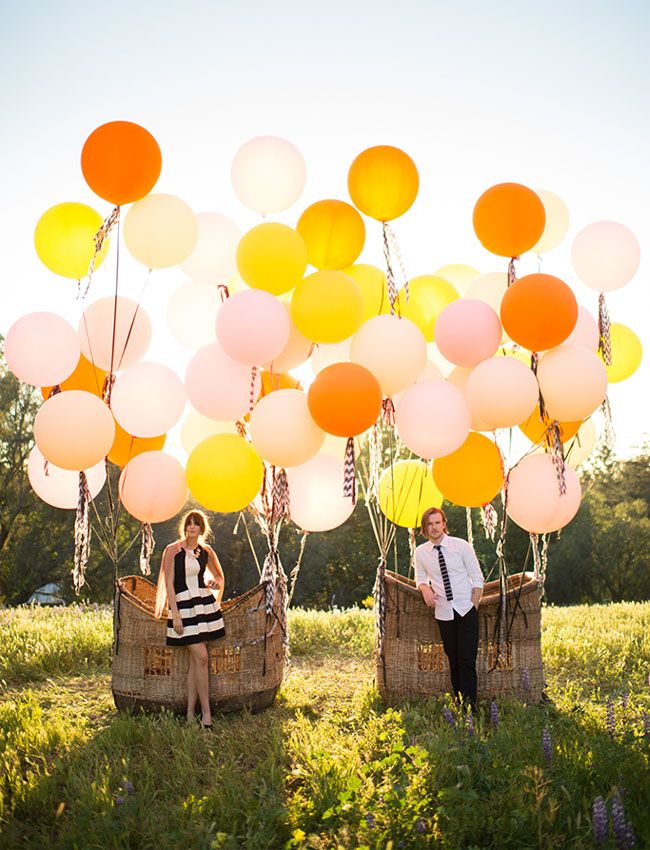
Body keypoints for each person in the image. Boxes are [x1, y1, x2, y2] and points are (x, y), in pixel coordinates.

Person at [155, 510, 225, 727]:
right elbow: (169, 583)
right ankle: (206, 713)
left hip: (203, 606)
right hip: (183, 608)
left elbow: (219, 576)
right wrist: (175, 615)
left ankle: (190, 714)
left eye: (196, 524)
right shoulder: (172, 550)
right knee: (201, 657)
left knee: (198, 662)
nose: (192, 527)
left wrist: (214, 583)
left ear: (202, 528)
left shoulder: (206, 551)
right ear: (184, 527)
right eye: (189, 523)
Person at [415, 506, 484, 710]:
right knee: (453, 659)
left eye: (438, 522)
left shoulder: (461, 546)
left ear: (444, 524)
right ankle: (460, 701)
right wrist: (425, 589)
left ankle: (471, 706)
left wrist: (473, 606)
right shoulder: (421, 553)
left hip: (466, 609)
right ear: (425, 528)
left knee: (467, 659)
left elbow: (477, 577)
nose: (434, 527)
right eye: (430, 524)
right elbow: (419, 578)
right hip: (444, 613)